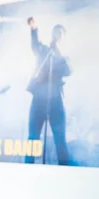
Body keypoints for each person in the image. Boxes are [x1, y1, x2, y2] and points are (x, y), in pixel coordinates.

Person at [25, 17, 71, 165]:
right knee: (32, 139)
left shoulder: (64, 57)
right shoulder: (43, 50)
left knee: (60, 141)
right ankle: (27, 170)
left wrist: (58, 52)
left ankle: (65, 172)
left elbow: (69, 71)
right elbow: (34, 46)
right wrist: (34, 29)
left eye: (60, 34)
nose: (56, 36)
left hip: (56, 101)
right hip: (39, 100)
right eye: (55, 33)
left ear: (62, 39)